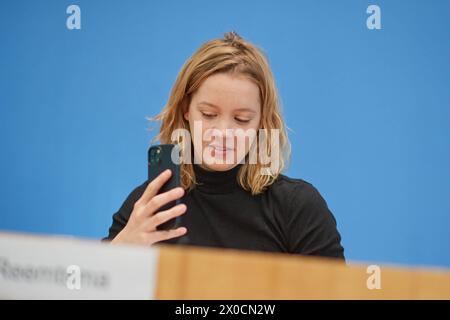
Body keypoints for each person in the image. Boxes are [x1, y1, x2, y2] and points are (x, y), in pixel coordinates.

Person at [103, 31, 345, 260]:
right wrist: (122, 249)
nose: (223, 133)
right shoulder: (149, 207)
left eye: (241, 119)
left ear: (262, 121)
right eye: (208, 114)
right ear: (186, 110)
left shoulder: (298, 208)